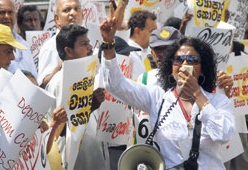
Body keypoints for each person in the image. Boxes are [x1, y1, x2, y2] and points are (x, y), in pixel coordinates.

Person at [100, 16, 235, 169]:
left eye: (192, 59)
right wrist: (108, 45)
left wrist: (197, 94)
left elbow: (224, 135)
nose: (185, 64)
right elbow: (115, 85)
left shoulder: (218, 102)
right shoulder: (157, 98)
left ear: (202, 68)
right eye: (178, 60)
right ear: (170, 69)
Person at [45, 24, 105, 170]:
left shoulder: (88, 76)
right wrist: (89, 107)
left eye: (89, 43)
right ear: (69, 50)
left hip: (93, 158)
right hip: (74, 162)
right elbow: (59, 130)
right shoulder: (60, 81)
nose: (90, 47)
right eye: (84, 44)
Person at [0, 0, 38, 78]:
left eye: (10, 12)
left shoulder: (23, 43)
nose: (7, 16)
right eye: (2, 12)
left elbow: (34, 75)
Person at [127, 10, 157, 80]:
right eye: (152, 31)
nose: (156, 35)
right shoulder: (127, 55)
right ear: (137, 31)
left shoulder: (148, 52)